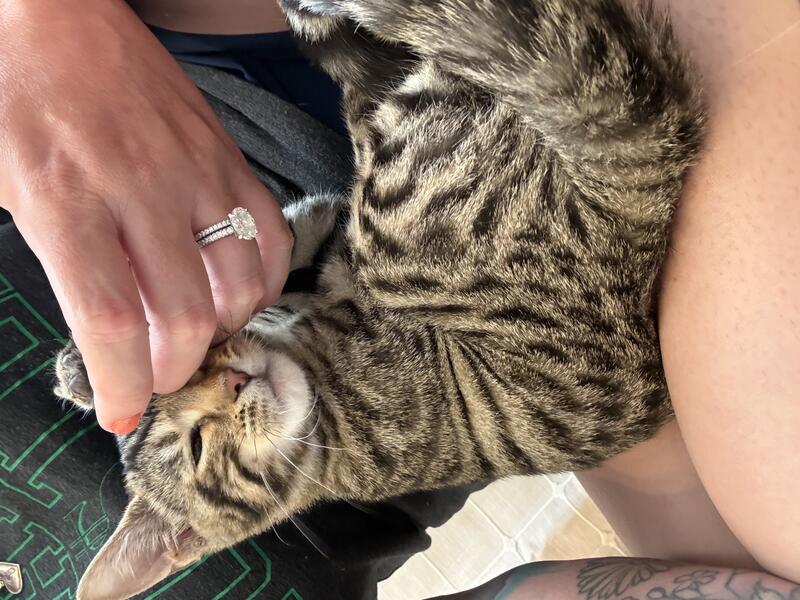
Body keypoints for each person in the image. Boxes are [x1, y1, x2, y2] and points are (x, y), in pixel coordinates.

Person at [0, 0, 797, 597]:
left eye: (201, 376)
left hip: (532, 255)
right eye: (206, 442)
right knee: (396, 251)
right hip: (544, 310)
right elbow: (346, 241)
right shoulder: (361, 435)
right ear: (187, 538)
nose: (227, 387)